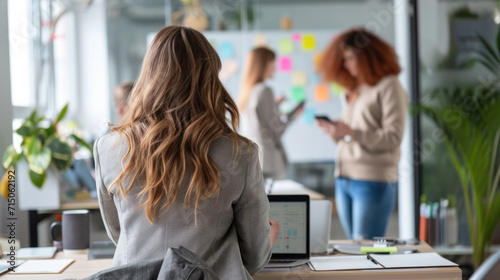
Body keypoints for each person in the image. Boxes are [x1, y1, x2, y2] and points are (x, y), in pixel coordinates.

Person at [94, 26, 279, 279]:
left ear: (148, 74)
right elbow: (254, 258)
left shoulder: (108, 147)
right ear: (210, 79)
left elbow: (120, 234)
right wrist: (268, 238)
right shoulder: (240, 153)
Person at [316, 28, 408, 240]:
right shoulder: (356, 89)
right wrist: (336, 131)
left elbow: (393, 137)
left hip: (372, 180)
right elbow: (351, 136)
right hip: (344, 177)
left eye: (350, 58)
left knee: (364, 248)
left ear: (367, 56)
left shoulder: (389, 86)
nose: (346, 64)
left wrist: (351, 132)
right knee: (355, 247)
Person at [238, 47, 301, 180]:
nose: (275, 67)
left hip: (252, 158)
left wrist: (275, 105)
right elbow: (276, 130)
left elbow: (258, 120)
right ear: (264, 64)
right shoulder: (265, 90)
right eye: (273, 62)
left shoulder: (248, 91)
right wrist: (293, 115)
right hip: (269, 162)